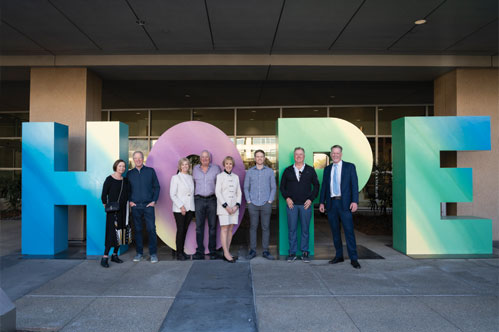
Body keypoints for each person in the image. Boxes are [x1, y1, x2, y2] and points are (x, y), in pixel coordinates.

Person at [319, 145, 361, 269]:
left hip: (345, 204)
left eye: (337, 153)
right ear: (331, 154)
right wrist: (322, 202)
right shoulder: (327, 169)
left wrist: (355, 201)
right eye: (333, 153)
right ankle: (339, 256)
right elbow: (324, 187)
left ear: (341, 154)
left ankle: (354, 259)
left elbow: (354, 185)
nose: (335, 155)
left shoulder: (350, 167)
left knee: (349, 232)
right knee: (335, 232)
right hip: (332, 204)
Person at [279, 147, 319, 263]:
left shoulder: (310, 170)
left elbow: (316, 186)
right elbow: (282, 187)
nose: (298, 156)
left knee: (305, 229)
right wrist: (287, 198)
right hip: (292, 205)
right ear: (294, 156)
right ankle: (292, 252)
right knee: (292, 229)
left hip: (305, 205)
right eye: (296, 154)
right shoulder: (287, 170)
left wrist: (311, 199)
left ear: (304, 156)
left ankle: (305, 252)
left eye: (300, 154)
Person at [128, 151, 161, 263]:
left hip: (148, 206)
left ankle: (153, 254)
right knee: (137, 230)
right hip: (136, 206)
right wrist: (130, 201)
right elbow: (127, 190)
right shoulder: (130, 174)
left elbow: (157, 187)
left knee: (151, 229)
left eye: (140, 158)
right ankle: (139, 253)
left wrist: (153, 201)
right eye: (135, 158)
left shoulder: (150, 171)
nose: (138, 160)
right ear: (133, 159)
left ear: (143, 159)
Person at [244, 150, 276, 260]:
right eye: (257, 157)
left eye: (261, 156)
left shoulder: (270, 172)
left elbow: (273, 187)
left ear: (264, 158)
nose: (259, 158)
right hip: (253, 204)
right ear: (254, 158)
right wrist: (248, 201)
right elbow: (246, 187)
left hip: (265, 204)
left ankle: (265, 251)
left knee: (265, 227)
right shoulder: (249, 172)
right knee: (253, 227)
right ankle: (252, 250)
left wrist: (270, 201)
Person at [192, 150, 221, 260]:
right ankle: (199, 251)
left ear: (210, 158)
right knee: (199, 227)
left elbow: (220, 184)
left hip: (212, 200)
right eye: (203, 157)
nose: (204, 159)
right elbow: (192, 185)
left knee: (213, 227)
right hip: (198, 200)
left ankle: (212, 251)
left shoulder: (216, 168)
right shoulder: (195, 169)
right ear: (200, 158)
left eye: (207, 157)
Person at [100, 159, 129, 268]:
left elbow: (128, 194)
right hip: (112, 212)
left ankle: (115, 255)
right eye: (120, 166)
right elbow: (103, 196)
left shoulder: (125, 181)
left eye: (123, 166)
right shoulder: (109, 179)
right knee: (111, 234)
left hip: (123, 211)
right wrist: (107, 207)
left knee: (120, 233)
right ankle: (105, 257)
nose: (122, 168)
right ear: (115, 166)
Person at [216, 156, 242, 263]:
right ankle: (226, 253)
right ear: (224, 164)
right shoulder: (220, 176)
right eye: (227, 163)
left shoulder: (236, 177)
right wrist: (226, 206)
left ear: (233, 165)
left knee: (230, 229)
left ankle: (227, 251)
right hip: (224, 208)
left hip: (234, 208)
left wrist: (236, 205)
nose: (228, 165)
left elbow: (239, 192)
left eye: (230, 164)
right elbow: (218, 192)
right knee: (224, 229)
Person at [169, 158, 195, 261]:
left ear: (189, 166)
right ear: (180, 166)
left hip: (190, 208)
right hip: (180, 209)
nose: (185, 166)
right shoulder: (175, 178)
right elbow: (172, 194)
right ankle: (179, 253)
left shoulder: (190, 177)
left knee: (184, 230)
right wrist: (181, 206)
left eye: (187, 164)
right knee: (180, 230)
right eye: (183, 165)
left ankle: (182, 251)